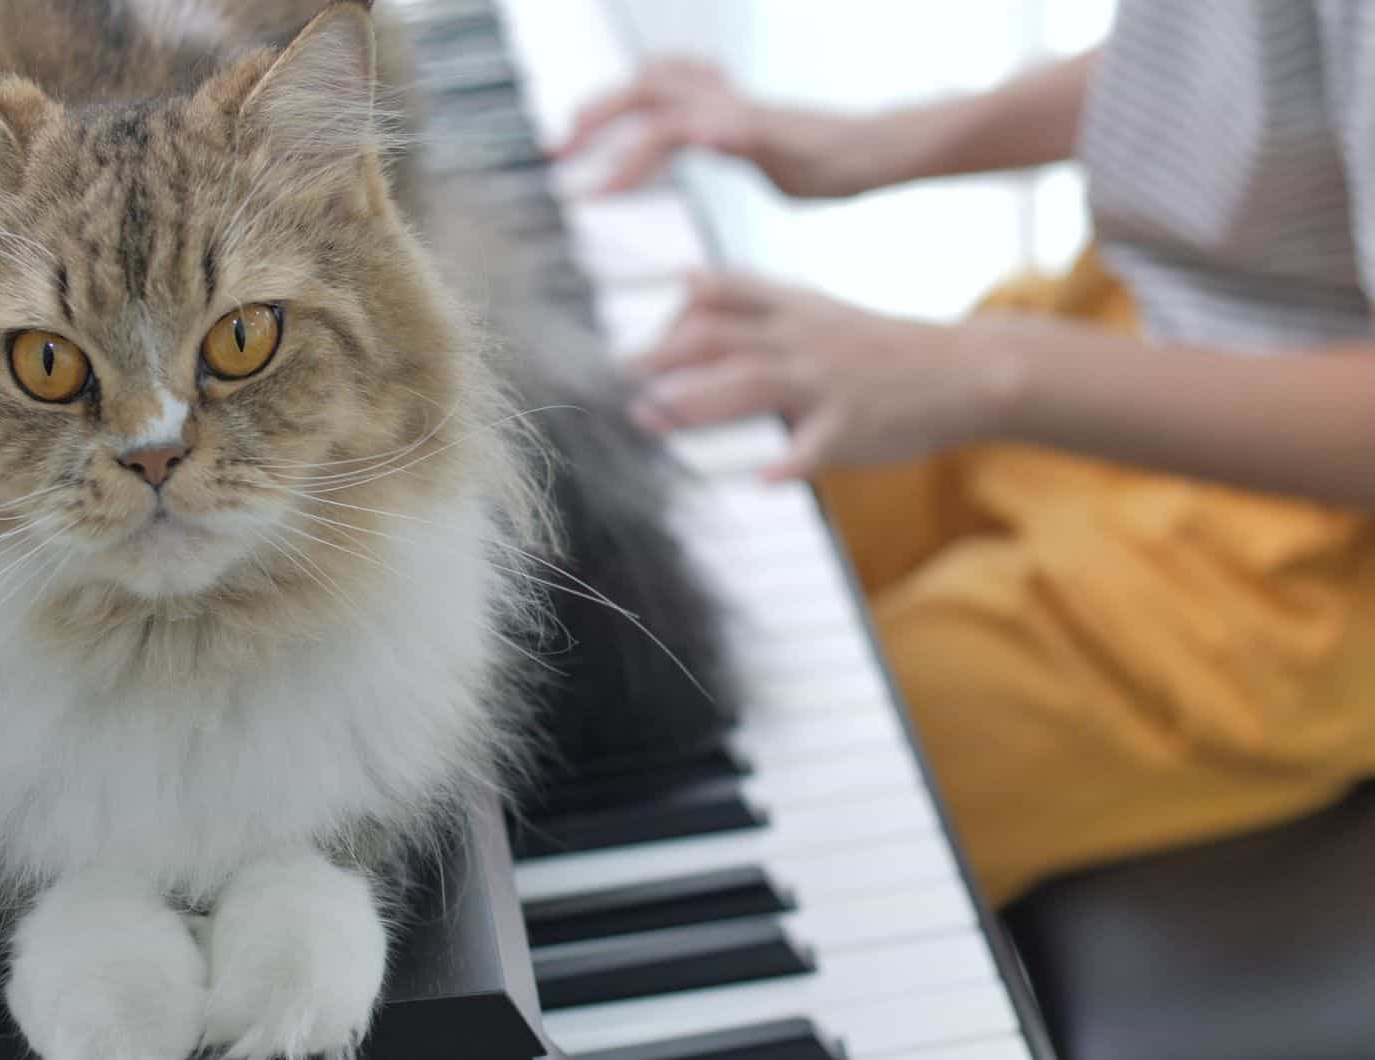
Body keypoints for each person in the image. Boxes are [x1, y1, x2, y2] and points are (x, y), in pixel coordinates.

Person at [557, 2, 1375, 907]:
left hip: (1306, 556)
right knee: (621, 561)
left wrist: (990, 370)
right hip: (1120, 334)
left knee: (797, 771)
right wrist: (880, 142)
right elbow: (1263, 58)